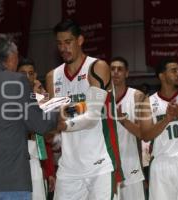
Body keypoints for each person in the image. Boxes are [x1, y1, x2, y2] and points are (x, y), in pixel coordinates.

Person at [0, 34, 61, 200]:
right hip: (10, 179)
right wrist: (56, 110)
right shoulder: (17, 81)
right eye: (17, 57)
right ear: (10, 57)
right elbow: (39, 124)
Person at [45, 19, 123, 200]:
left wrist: (63, 123)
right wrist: (51, 133)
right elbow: (55, 120)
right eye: (59, 43)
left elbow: (93, 115)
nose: (63, 48)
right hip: (68, 167)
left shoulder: (97, 67)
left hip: (99, 164)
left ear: (80, 40)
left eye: (68, 42)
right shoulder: (52, 77)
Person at [140, 58, 178, 200]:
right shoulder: (148, 102)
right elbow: (145, 135)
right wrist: (167, 119)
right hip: (161, 165)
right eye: (174, 70)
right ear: (161, 76)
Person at [17, 57, 57, 200]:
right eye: (23, 73)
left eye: (31, 73)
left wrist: (49, 170)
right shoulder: (9, 97)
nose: (27, 77)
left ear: (35, 75)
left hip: (35, 163)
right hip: (15, 163)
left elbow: (47, 135)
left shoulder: (42, 97)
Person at [110, 57, 145, 200]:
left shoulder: (137, 96)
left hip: (131, 163)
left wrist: (122, 119)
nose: (115, 72)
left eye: (120, 69)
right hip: (108, 165)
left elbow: (142, 133)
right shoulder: (101, 97)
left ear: (127, 73)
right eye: (112, 69)